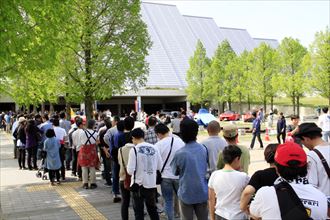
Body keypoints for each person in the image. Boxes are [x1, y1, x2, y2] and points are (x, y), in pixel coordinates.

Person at [249, 142, 328, 220]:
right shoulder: (321, 197)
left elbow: (254, 214)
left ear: (277, 168)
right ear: (306, 167)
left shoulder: (264, 194)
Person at [170, 119, 208, 220]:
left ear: (182, 133)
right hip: (202, 191)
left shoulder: (180, 153)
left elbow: (174, 172)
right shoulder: (203, 149)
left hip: (186, 192)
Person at [127, 128, 162, 220]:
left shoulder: (134, 150)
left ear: (134, 138)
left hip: (138, 185)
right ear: (143, 136)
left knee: (139, 211)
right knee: (152, 209)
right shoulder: (155, 148)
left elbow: (130, 171)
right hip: (151, 184)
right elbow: (159, 166)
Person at [208, 145, 249, 220]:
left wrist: (212, 218)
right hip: (237, 215)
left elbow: (211, 199)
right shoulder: (243, 177)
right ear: (237, 159)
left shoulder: (214, 175)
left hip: (220, 214)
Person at [154, 123, 185, 220]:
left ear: (158, 134)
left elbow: (156, 163)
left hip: (165, 177)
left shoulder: (157, 145)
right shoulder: (180, 141)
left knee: (168, 200)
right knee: (182, 200)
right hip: (179, 176)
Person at [240, 144, 279, 213]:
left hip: (264, 212)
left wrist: (243, 208)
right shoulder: (287, 174)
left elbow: (247, 192)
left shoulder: (259, 175)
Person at [294, 123, 330, 198]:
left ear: (306, 138)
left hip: (325, 200)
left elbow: (311, 185)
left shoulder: (312, 155)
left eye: (302, 141)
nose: (303, 145)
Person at [77, 119, 99, 189]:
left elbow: (80, 142)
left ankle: (85, 183)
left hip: (84, 151)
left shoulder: (82, 133)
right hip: (92, 150)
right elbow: (97, 142)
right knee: (92, 167)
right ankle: (93, 183)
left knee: (84, 167)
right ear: (93, 125)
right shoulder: (96, 133)